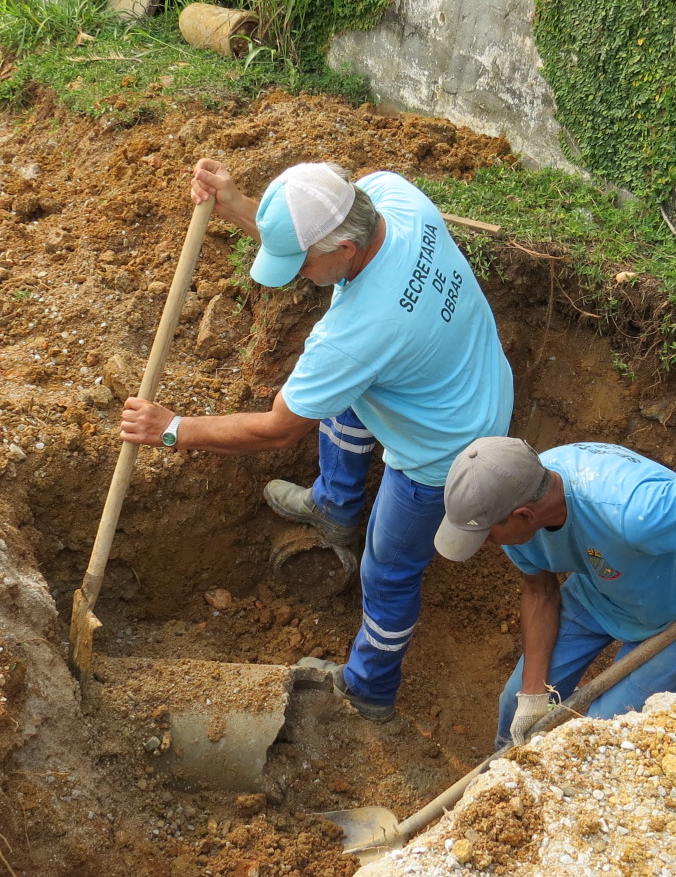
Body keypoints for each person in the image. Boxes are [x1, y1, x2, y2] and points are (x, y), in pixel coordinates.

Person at [119, 159, 513, 721]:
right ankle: (335, 505)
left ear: (346, 252)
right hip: (474, 376)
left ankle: (368, 690)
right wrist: (238, 207)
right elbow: (316, 242)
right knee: (344, 396)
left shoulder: (353, 336)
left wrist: (174, 429)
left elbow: (278, 429)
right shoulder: (391, 197)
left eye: (300, 263)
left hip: (445, 453)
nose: (298, 274)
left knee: (388, 574)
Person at [432, 436, 676, 748]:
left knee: (600, 734)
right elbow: (540, 592)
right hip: (600, 586)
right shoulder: (517, 491)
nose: (485, 545)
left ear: (524, 515)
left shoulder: (634, 511)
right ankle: (499, 781)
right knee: (516, 707)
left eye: (487, 535)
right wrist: (533, 695)